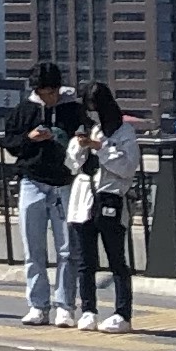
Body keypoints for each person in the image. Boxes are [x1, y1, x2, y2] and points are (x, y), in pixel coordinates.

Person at [4, 62, 82, 326]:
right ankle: (37, 305)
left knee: (67, 249)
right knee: (33, 248)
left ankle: (65, 306)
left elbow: (85, 138)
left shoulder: (73, 109)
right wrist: (30, 138)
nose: (50, 97)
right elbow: (10, 144)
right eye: (44, 92)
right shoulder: (23, 111)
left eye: (53, 91)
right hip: (31, 180)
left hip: (65, 182)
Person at [64, 82, 140, 330]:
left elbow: (127, 168)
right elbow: (72, 165)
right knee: (86, 260)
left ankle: (123, 313)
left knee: (117, 260)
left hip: (110, 198)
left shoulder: (124, 132)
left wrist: (102, 148)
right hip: (84, 198)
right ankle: (88, 309)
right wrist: (80, 145)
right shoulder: (89, 128)